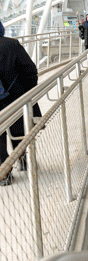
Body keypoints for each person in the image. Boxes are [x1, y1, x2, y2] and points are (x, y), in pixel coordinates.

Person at [0, 21, 42, 185]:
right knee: (18, 129)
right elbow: (29, 69)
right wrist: (27, 91)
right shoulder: (11, 44)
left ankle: (4, 174)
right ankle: (24, 160)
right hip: (15, 97)